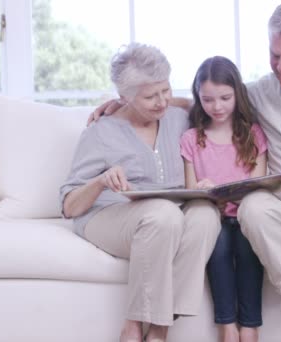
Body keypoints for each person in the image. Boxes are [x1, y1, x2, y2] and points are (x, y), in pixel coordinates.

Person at [90, 3, 281, 341]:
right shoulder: (260, 93)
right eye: (275, 56)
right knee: (253, 206)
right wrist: (130, 104)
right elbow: (213, 101)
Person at [60, 42, 222, 342]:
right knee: (163, 215)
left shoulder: (178, 118)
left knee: (205, 215)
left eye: (166, 90)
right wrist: (100, 181)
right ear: (124, 97)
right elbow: (70, 206)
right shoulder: (101, 131)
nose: (162, 102)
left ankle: (160, 330)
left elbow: (213, 102)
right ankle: (133, 326)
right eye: (150, 97)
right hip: (110, 216)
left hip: (169, 214)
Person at [180, 56, 267, 342]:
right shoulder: (192, 138)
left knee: (248, 250)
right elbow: (191, 190)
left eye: (225, 98)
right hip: (213, 218)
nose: (217, 107)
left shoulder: (253, 134)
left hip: (245, 217)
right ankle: (226, 327)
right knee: (217, 252)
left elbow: (259, 182)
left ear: (237, 94)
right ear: (198, 98)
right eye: (207, 100)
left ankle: (250, 327)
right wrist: (206, 190)